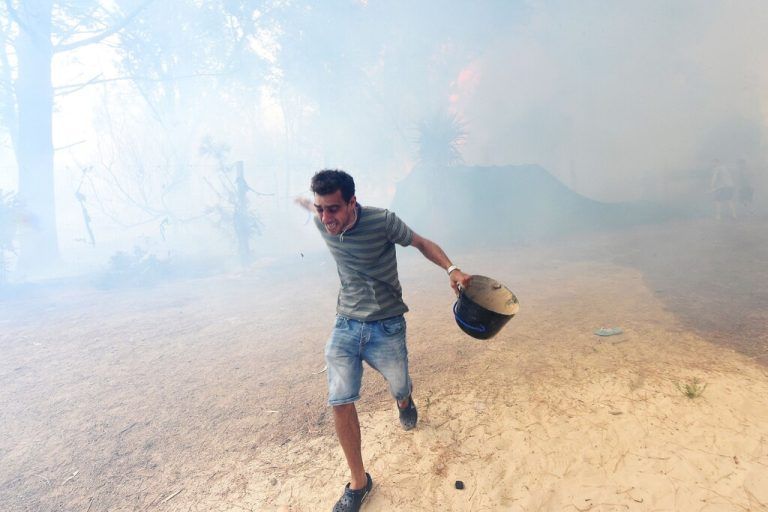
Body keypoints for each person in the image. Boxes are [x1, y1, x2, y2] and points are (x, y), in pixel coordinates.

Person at [295, 169, 471, 512]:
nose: (326, 218)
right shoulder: (321, 220)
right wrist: (302, 202)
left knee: (399, 385)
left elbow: (421, 242)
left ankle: (405, 402)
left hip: (387, 324)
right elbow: (310, 207)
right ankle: (359, 483)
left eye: (333, 208)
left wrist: (453, 270)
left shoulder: (382, 221)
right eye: (320, 209)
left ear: (352, 202)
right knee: (340, 400)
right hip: (346, 322)